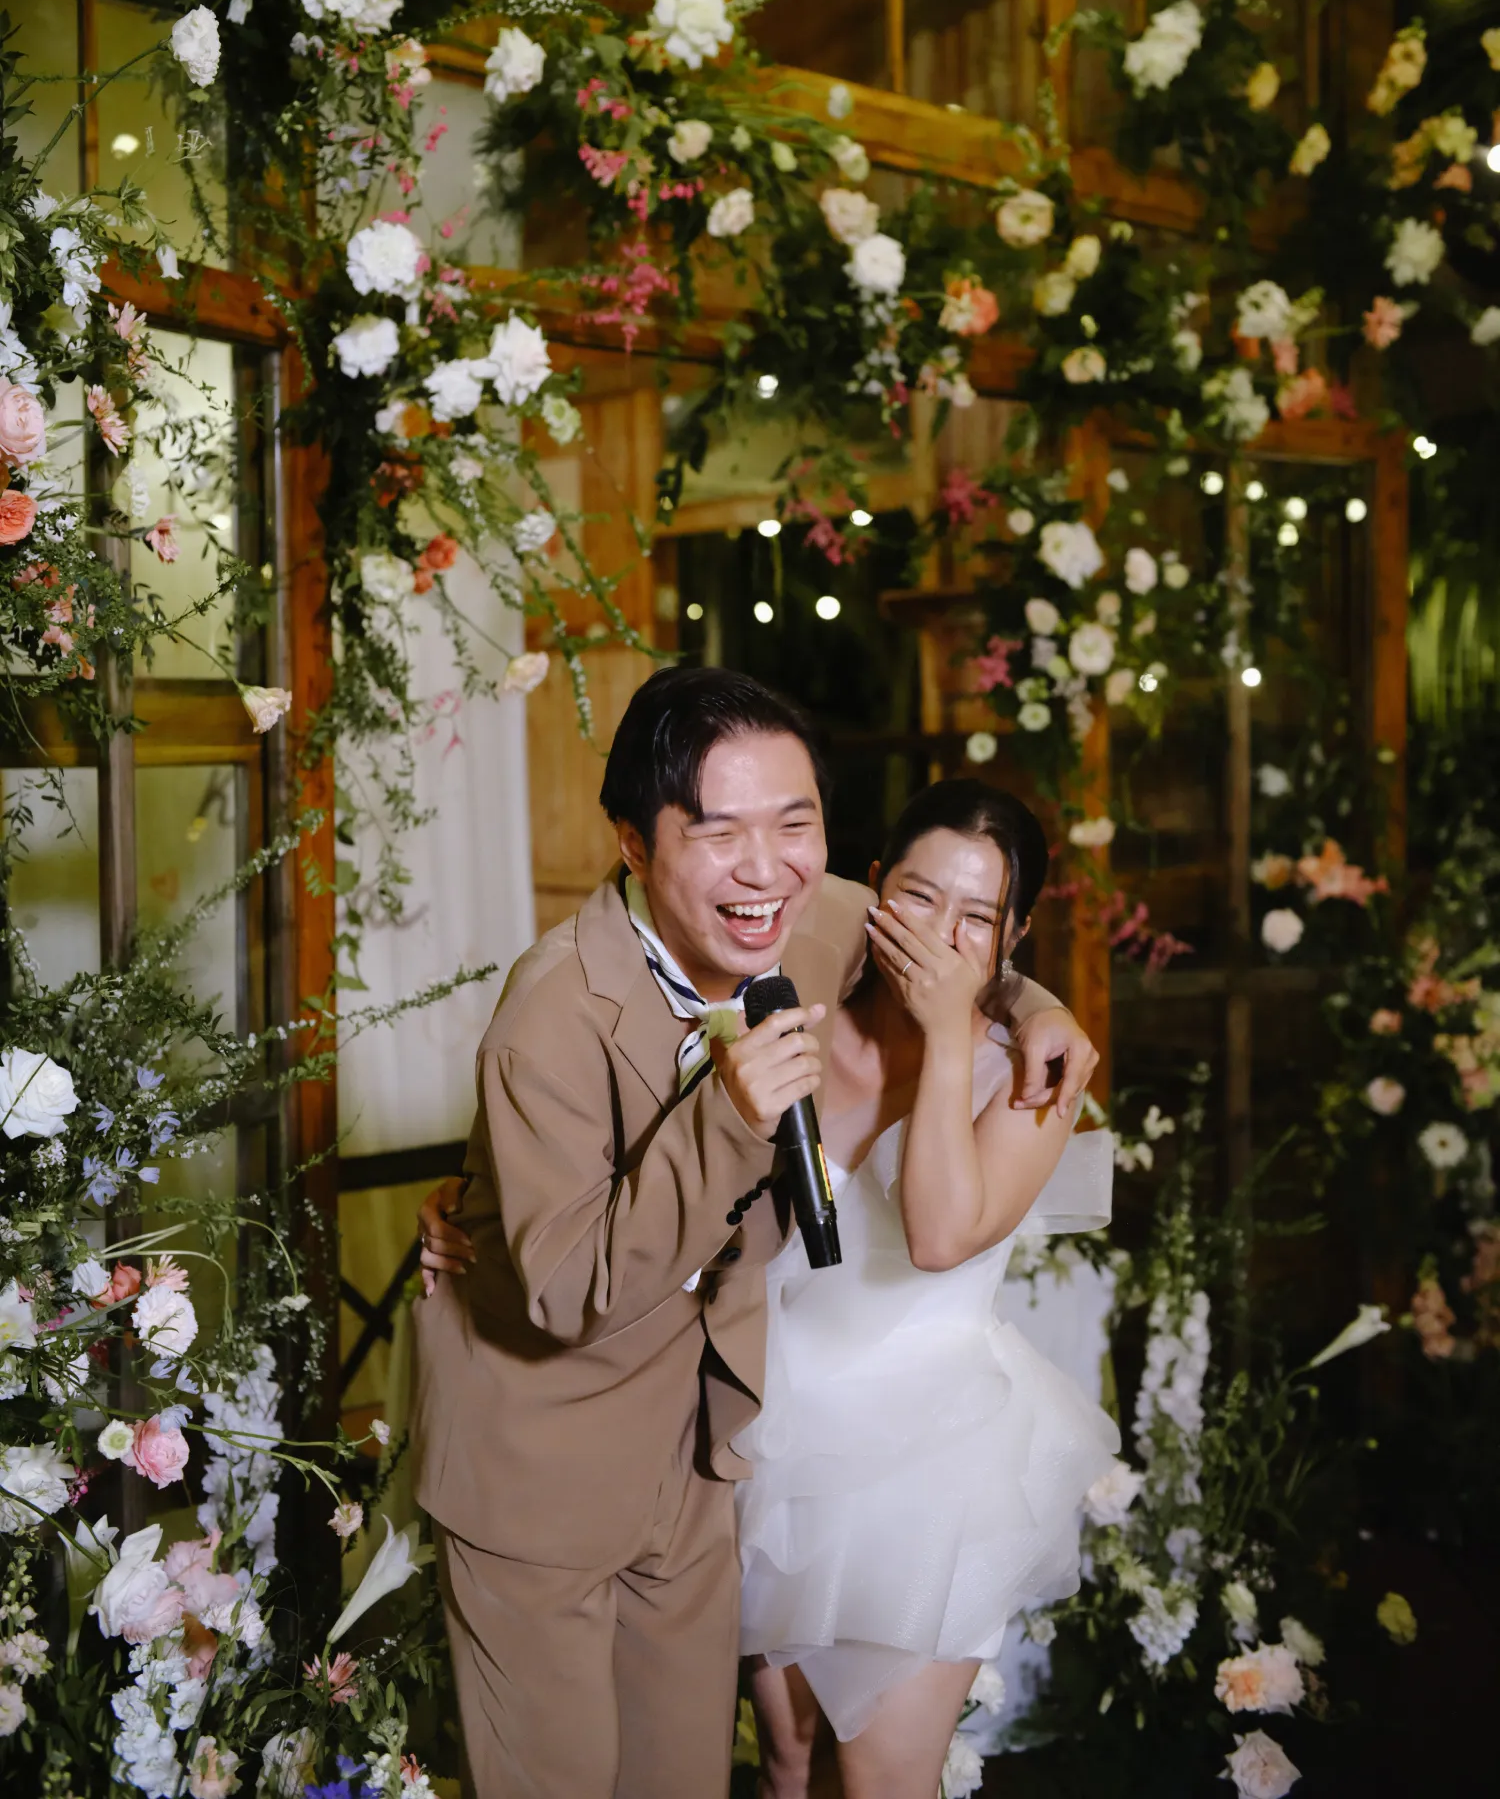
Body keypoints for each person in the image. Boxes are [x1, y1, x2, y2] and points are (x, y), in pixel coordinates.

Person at [411, 667, 1096, 1799]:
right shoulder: (548, 1016)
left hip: (705, 1456)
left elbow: (957, 939)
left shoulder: (813, 913)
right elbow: (567, 1285)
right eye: (718, 829)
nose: (766, 865)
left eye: (796, 823)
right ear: (633, 842)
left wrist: (1035, 1005)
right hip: (545, 1463)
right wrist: (728, 1116)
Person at [736, 779, 1118, 1799]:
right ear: (871, 888)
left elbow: (942, 1233)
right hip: (768, 1449)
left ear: (1014, 933)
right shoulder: (796, 1003)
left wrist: (959, 1031)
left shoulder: (1030, 1079)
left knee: (878, 1779)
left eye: (978, 917)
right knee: (785, 1764)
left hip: (927, 1476)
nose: (940, 937)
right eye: (915, 897)